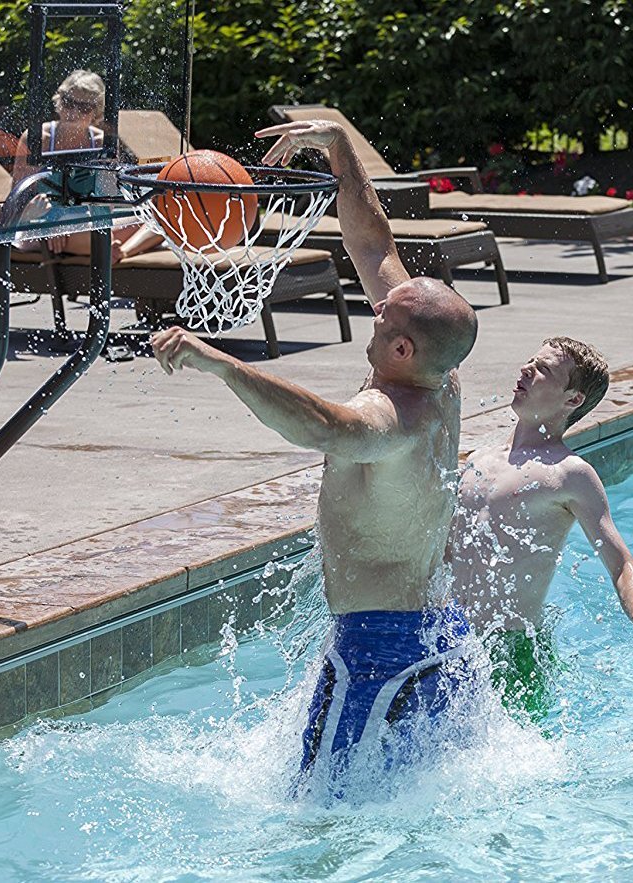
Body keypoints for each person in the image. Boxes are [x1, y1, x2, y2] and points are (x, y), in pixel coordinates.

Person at [151, 120, 479, 787]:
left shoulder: (390, 416)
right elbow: (371, 240)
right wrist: (338, 149)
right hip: (439, 633)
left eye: (384, 314)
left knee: (316, 814)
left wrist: (223, 366)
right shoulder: (438, 375)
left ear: (402, 348)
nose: (377, 303)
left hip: (377, 653)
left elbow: (324, 425)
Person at [448, 337, 633, 719]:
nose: (526, 370)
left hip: (509, 654)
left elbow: (620, 561)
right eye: (530, 361)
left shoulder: (569, 473)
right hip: (447, 638)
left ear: (573, 400)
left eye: (544, 370)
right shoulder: (479, 458)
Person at [11, 70, 161, 263]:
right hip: (42, 224)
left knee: (160, 218)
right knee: (99, 239)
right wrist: (51, 224)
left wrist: (79, 223)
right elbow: (17, 197)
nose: (73, 112)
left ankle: (120, 252)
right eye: (68, 102)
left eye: (83, 107)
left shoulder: (102, 142)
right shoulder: (39, 138)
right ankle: (112, 250)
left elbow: (107, 198)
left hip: (88, 223)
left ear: (95, 111)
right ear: (59, 101)